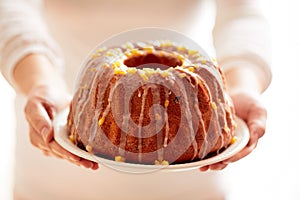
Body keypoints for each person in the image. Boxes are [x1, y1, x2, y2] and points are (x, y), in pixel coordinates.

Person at [0, 0, 271, 199]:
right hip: (54, 177)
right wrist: (39, 81)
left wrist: (242, 85)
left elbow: (242, 11)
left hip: (190, 183)